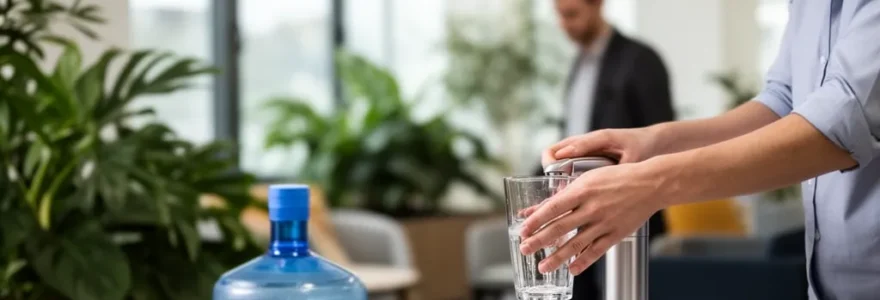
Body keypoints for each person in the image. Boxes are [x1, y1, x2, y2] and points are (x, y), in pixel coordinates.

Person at [518, 1, 880, 299]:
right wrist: (656, 141)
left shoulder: (637, 59)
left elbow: (840, 122)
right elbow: (784, 100)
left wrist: (651, 183)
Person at [537, 0, 675, 298]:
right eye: (559, 15)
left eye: (571, 14)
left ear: (597, 5)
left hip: (629, 216)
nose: (564, 25)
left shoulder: (641, 61)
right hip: (578, 215)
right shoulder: (579, 66)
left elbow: (663, 142)